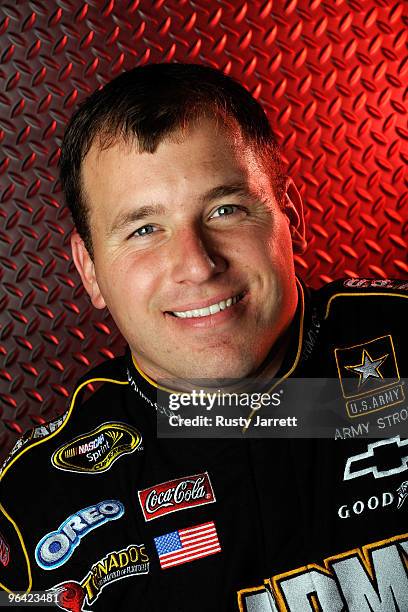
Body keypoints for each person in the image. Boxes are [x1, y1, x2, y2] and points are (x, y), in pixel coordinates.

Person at [0, 63, 406, 612]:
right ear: (90, 270)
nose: (196, 264)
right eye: (144, 229)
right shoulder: (32, 505)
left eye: (226, 209)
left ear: (290, 216)